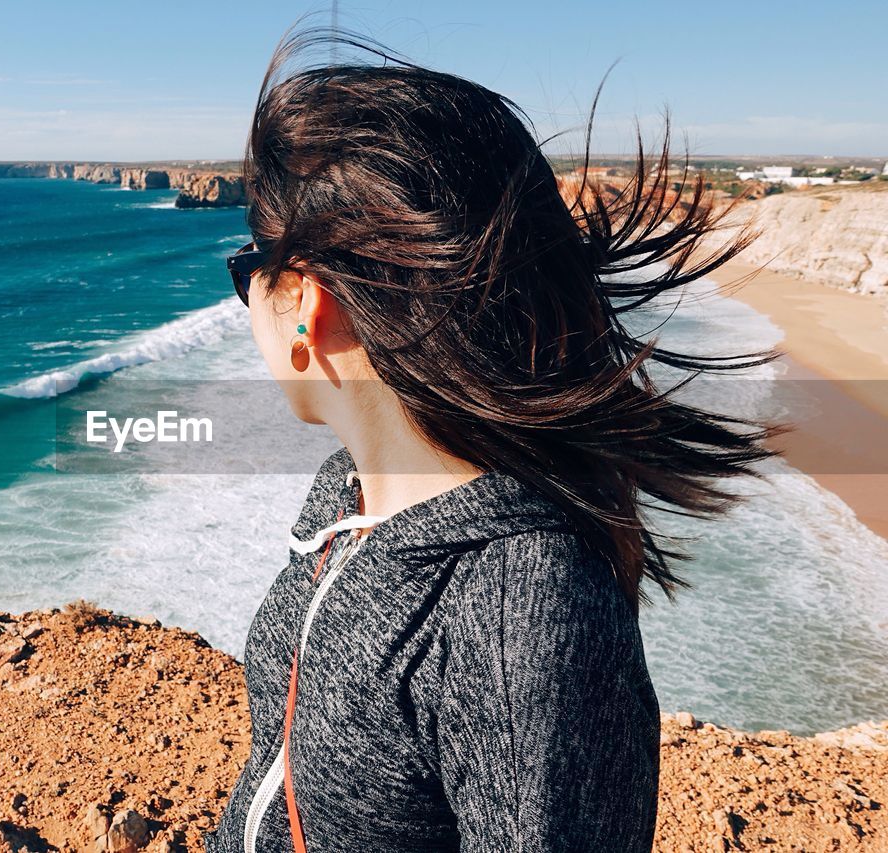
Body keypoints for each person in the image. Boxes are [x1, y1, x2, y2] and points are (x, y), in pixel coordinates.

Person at [203, 25, 782, 853]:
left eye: (249, 265)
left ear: (307, 306)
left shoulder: (521, 610)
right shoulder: (347, 491)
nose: (245, 287)